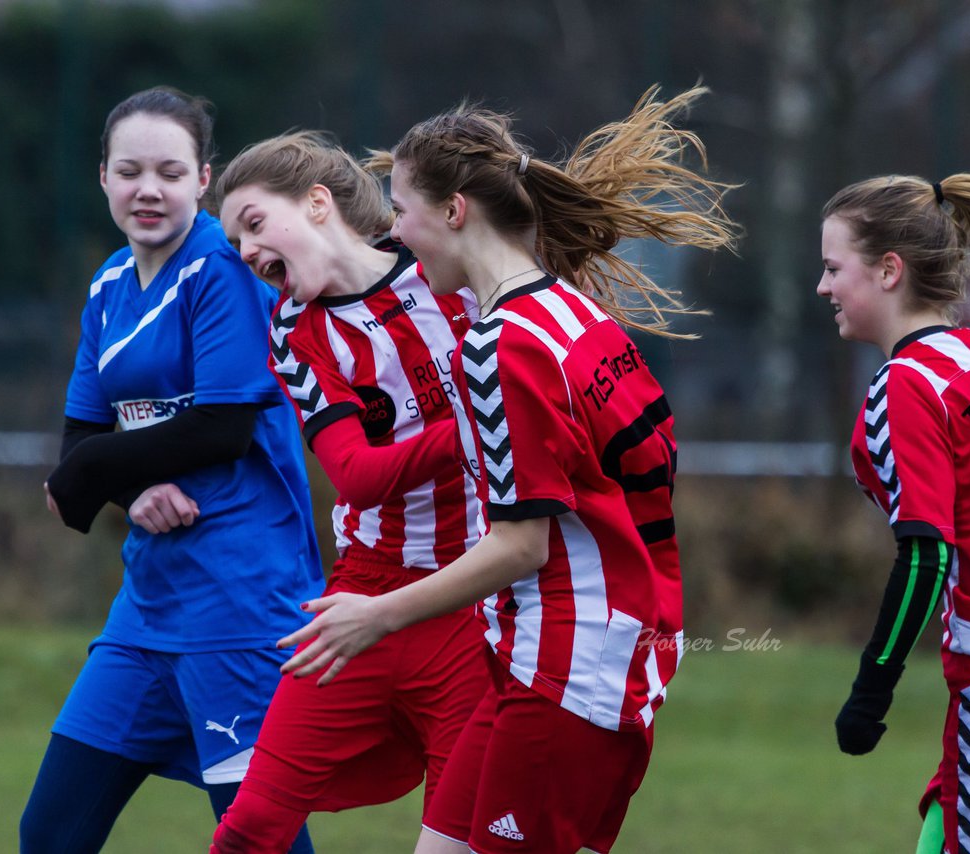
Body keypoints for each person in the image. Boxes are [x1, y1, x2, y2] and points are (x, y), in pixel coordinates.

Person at [279, 87, 739, 853]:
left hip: (567, 669)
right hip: (590, 650)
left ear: (455, 211)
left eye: (401, 210)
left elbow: (522, 545)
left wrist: (377, 613)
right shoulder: (573, 313)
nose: (395, 233)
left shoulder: (498, 345)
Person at [18, 86, 323, 854]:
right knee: (50, 832)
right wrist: (128, 487)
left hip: (240, 604)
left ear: (203, 180)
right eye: (129, 171)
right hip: (146, 611)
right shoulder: (109, 285)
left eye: (168, 171)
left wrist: (91, 474)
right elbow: (80, 440)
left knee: (260, 839)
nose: (147, 189)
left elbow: (222, 427)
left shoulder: (224, 269)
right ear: (103, 179)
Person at [206, 131, 491, 853]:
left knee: (460, 837)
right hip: (361, 599)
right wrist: (490, 422)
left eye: (253, 222)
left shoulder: (445, 270)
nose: (245, 251)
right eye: (235, 239)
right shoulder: (293, 330)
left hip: (475, 599)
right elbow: (358, 475)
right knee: (249, 827)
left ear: (318, 202)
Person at [820, 147, 970, 854]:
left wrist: (871, 689)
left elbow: (925, 555)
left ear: (888, 270)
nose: (823, 288)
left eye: (832, 268)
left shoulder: (903, 387)